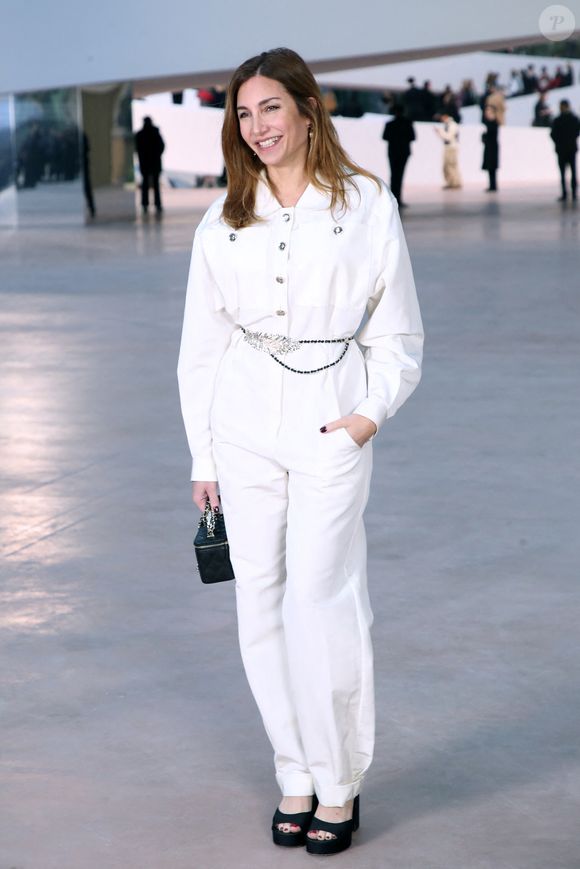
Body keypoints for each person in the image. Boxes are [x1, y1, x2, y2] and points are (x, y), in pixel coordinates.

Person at [177, 47, 423, 856]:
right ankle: (296, 771)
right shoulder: (224, 219)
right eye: (243, 115)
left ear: (308, 110)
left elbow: (399, 335)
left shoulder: (365, 205)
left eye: (271, 109)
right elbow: (199, 349)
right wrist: (202, 458)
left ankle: (341, 780)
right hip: (242, 427)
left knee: (322, 600)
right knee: (260, 605)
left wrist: (366, 416)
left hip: (329, 421)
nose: (258, 128)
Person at [382, 104, 415, 207]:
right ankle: (397, 199)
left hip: (393, 152)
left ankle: (394, 198)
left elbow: (385, 137)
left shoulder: (390, 124)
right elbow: (412, 137)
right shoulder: (407, 123)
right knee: (399, 176)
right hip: (403, 152)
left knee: (394, 175)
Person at [134, 116, 165, 216]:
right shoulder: (155, 133)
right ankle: (157, 204)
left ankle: (145, 204)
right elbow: (161, 146)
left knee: (145, 185)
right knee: (155, 185)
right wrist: (156, 155)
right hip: (154, 163)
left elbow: (137, 149)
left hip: (146, 163)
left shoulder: (140, 134)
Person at [550, 99, 579, 202]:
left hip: (562, 149)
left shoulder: (558, 120)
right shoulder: (573, 119)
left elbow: (553, 134)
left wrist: (559, 142)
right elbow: (577, 132)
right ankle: (573, 194)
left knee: (564, 173)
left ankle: (566, 193)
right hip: (570, 149)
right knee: (572, 171)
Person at [434, 109, 462, 189]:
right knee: (446, 166)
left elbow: (448, 137)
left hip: (451, 148)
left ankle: (455, 183)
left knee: (451, 165)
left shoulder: (452, 125)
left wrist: (440, 131)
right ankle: (450, 182)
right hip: (448, 147)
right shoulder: (447, 125)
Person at [481, 105, 499, 192]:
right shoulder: (488, 123)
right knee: (490, 167)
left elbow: (490, 135)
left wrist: (485, 137)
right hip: (489, 147)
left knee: (492, 167)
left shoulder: (493, 122)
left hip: (492, 148)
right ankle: (492, 185)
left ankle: (493, 185)